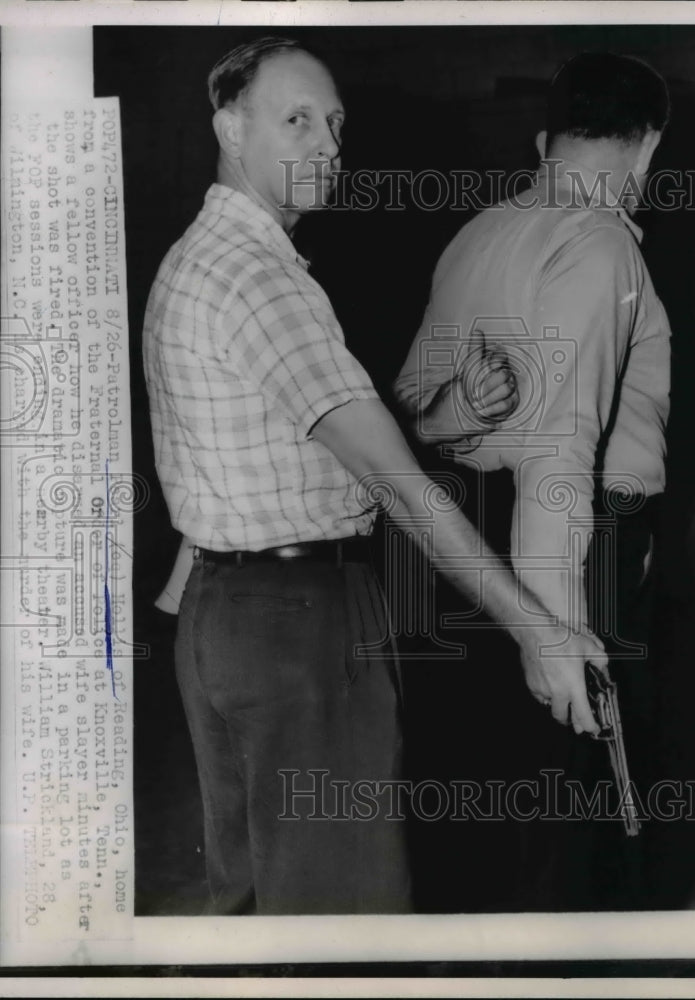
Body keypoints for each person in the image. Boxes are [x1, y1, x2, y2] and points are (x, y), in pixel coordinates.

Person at [143, 37, 606, 916]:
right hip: (299, 622)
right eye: (297, 120)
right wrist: (537, 630)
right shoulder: (261, 282)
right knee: (340, 917)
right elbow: (394, 483)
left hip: (223, 607)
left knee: (255, 907)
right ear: (227, 128)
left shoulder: (199, 256)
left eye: (336, 123)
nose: (328, 144)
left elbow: (283, 446)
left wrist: (451, 415)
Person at [394, 52, 672, 907]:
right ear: (648, 147)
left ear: (544, 139)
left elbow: (413, 409)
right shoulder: (598, 246)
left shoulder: (475, 232)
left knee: (473, 797)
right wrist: (549, 636)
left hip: (459, 540)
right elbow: (559, 455)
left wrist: (465, 415)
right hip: (565, 551)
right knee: (567, 823)